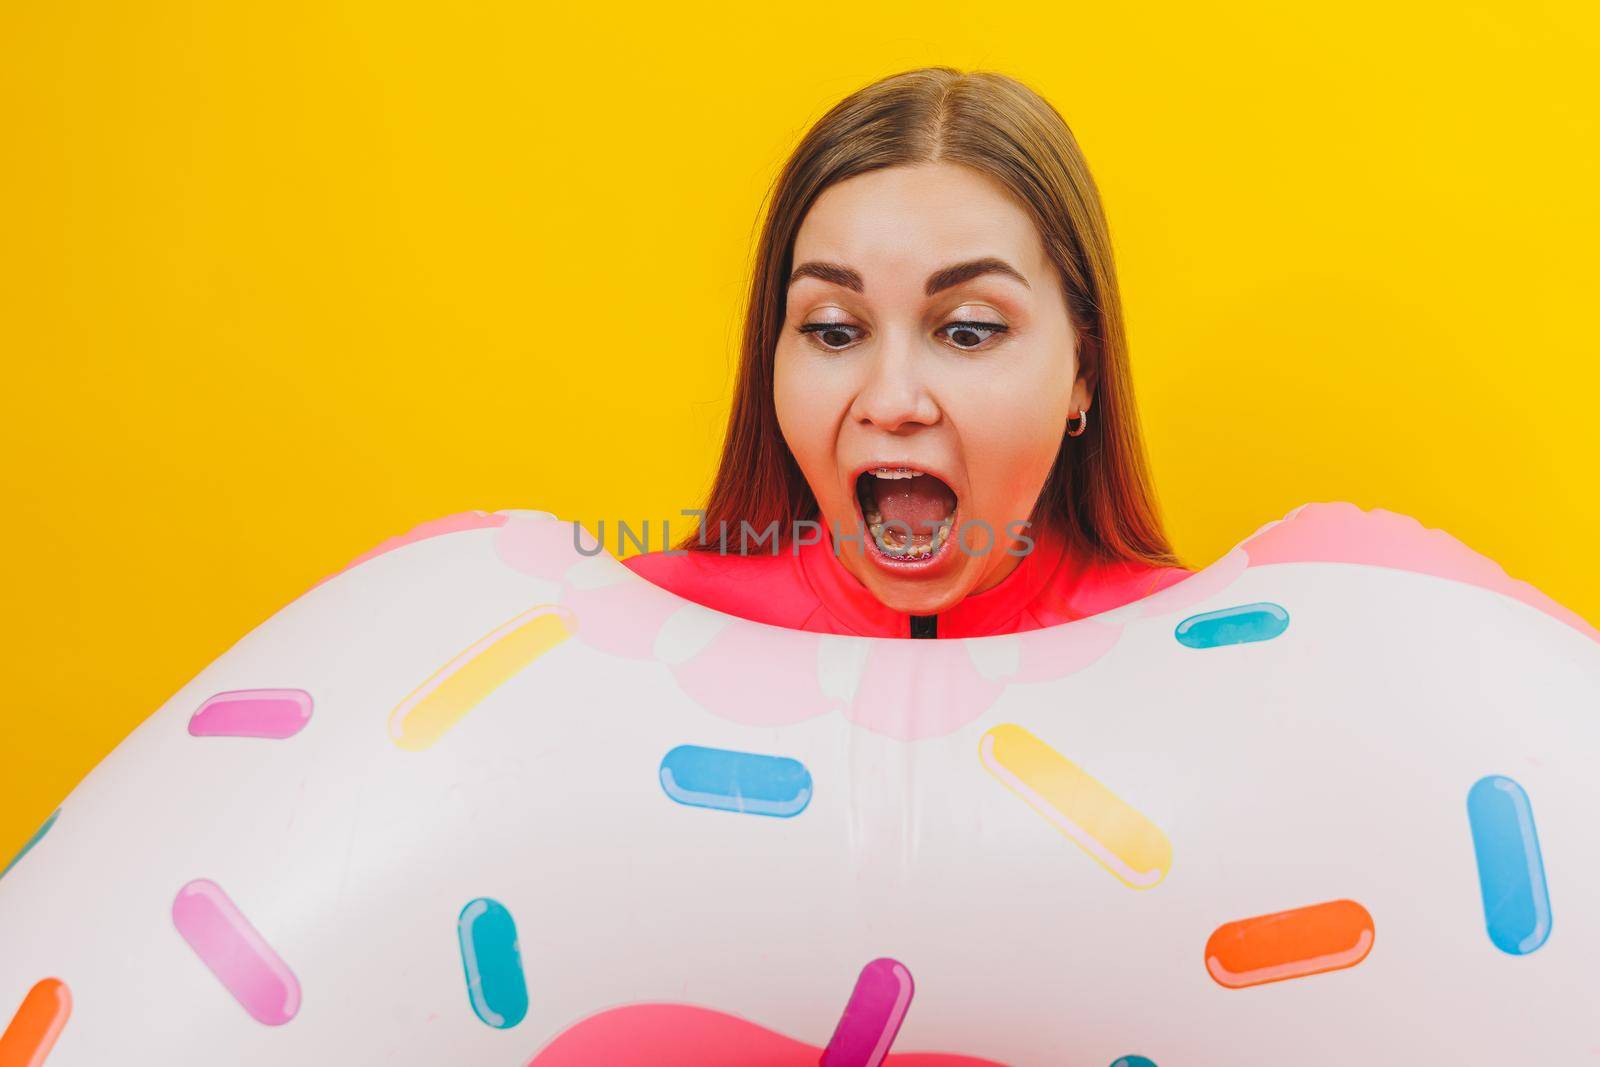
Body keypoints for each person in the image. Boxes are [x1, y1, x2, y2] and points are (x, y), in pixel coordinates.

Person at [624, 66, 1192, 639]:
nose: (892, 402)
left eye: (969, 330)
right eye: (834, 330)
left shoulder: (1188, 647)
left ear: (1083, 371)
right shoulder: (638, 630)